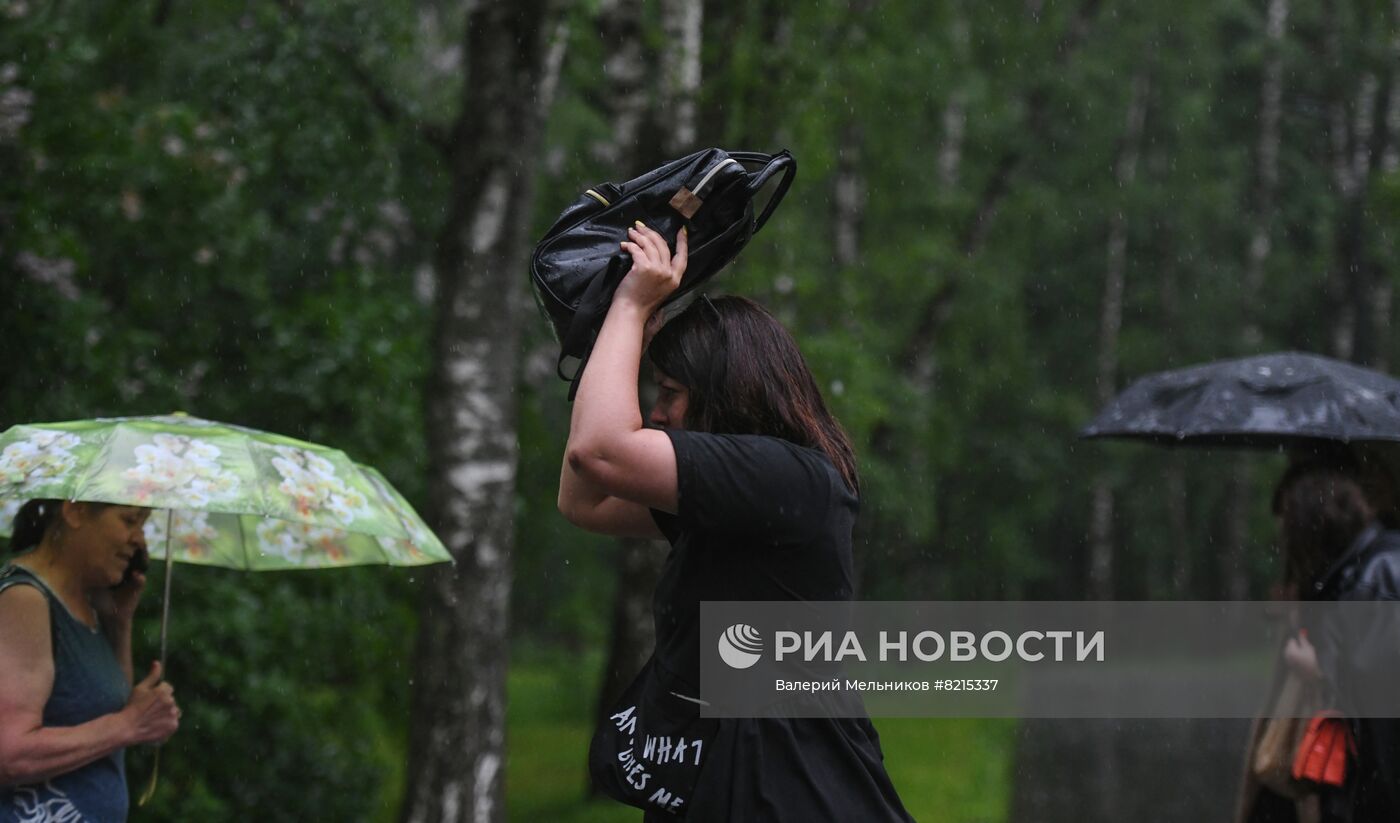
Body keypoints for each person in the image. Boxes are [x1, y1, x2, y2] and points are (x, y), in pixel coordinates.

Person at [558, 222, 913, 821]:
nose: (656, 410)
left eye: (670, 391)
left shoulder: (787, 478)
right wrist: (621, 334)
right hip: (735, 778)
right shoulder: (738, 492)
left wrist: (630, 303)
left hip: (790, 789)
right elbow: (584, 500)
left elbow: (597, 451)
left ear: (726, 392)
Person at [0, 499, 181, 822]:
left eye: (143, 524)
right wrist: (128, 725)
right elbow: (9, 754)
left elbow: (112, 709)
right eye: (130, 521)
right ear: (75, 511)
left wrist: (119, 621)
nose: (140, 540)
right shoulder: (24, 600)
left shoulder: (88, 604)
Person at [1241, 459, 1400, 823]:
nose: (1282, 539)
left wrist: (1318, 669)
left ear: (1308, 527)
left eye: (1286, 527)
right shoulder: (1356, 574)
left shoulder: (1375, 580)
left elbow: (1383, 714)